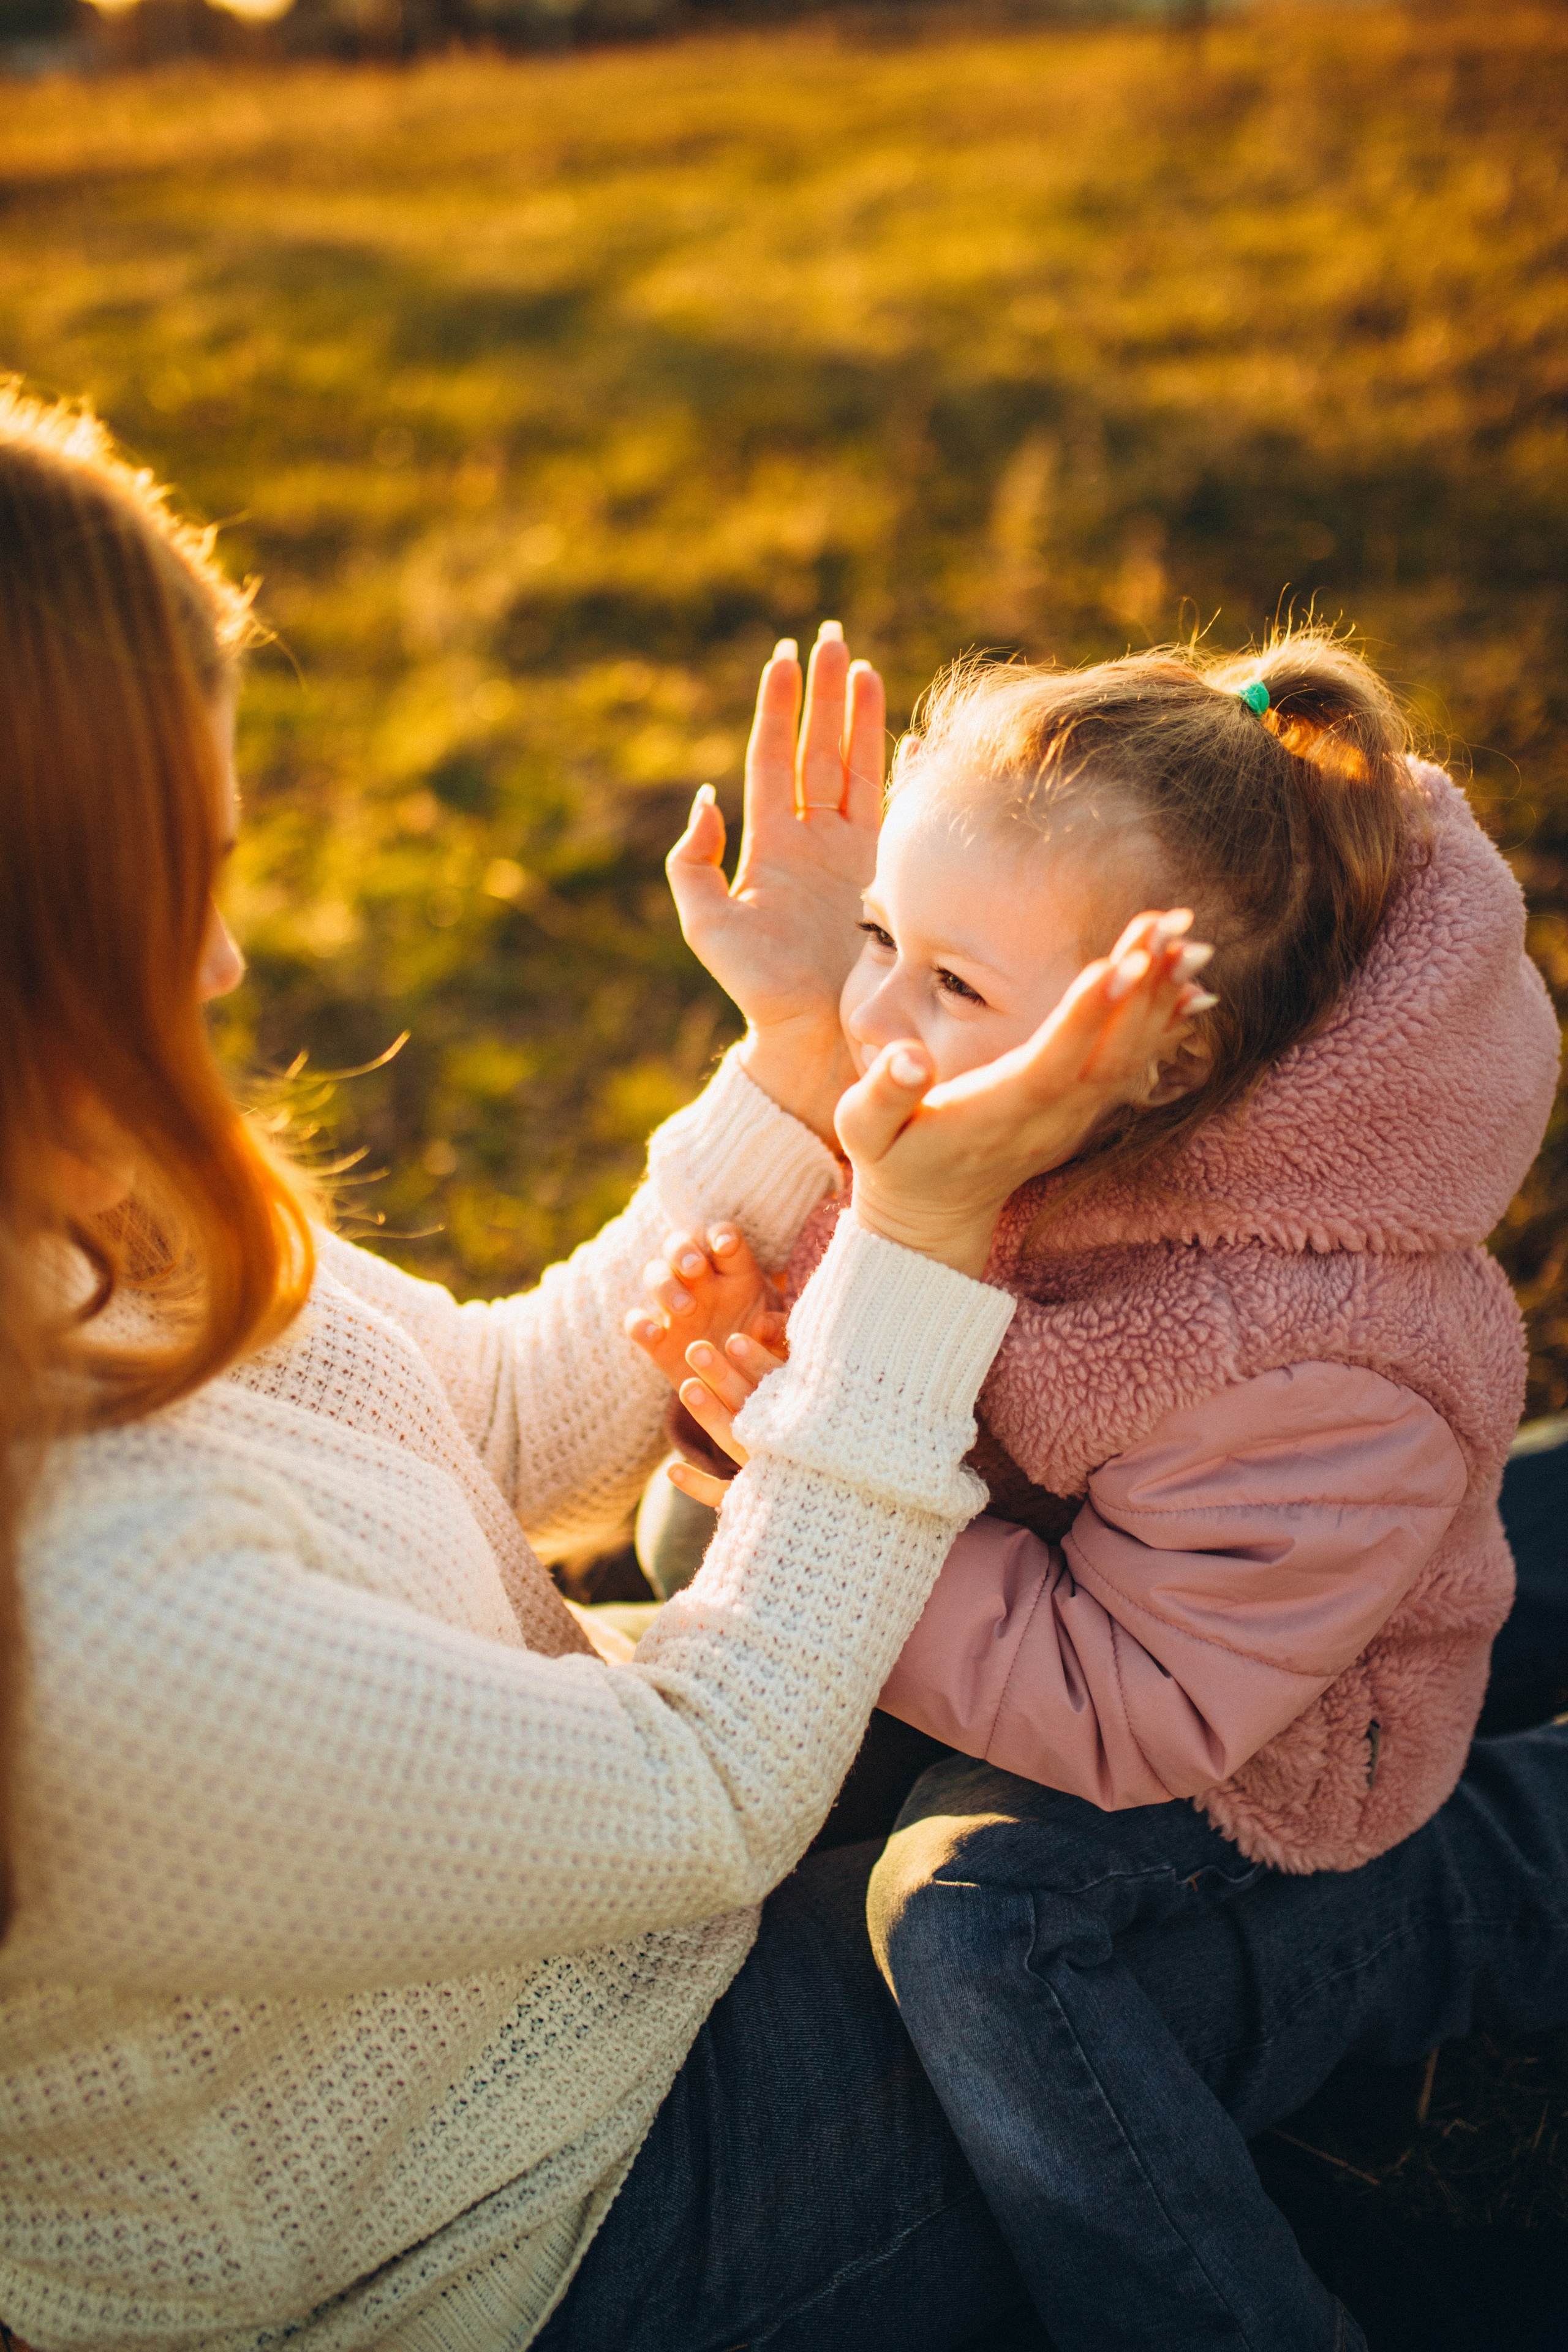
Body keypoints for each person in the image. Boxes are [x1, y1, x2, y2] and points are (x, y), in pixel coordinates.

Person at [0, 390, 1193, 2351]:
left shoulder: (68, 1189)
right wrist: (910, 1242)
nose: (221, 965)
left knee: (1250, 1634)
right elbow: (713, 1789)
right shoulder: (77, 1619)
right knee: (1175, 1884)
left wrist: (807, 1063)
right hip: (568, 2217)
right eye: (173, 882)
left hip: (604, 1941)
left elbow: (489, 1431)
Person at [633, 631, 1561, 2350]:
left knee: (968, 1911)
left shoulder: (1308, 1360)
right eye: (878, 944)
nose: (870, 1019)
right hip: (1066, 1592)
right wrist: (755, 1391)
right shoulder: (1018, 1121)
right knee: (685, 1530)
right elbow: (895, 1363)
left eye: (952, 986)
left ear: (1163, 1059)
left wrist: (814, 1463)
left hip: (1261, 1742)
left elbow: (1138, 1709)